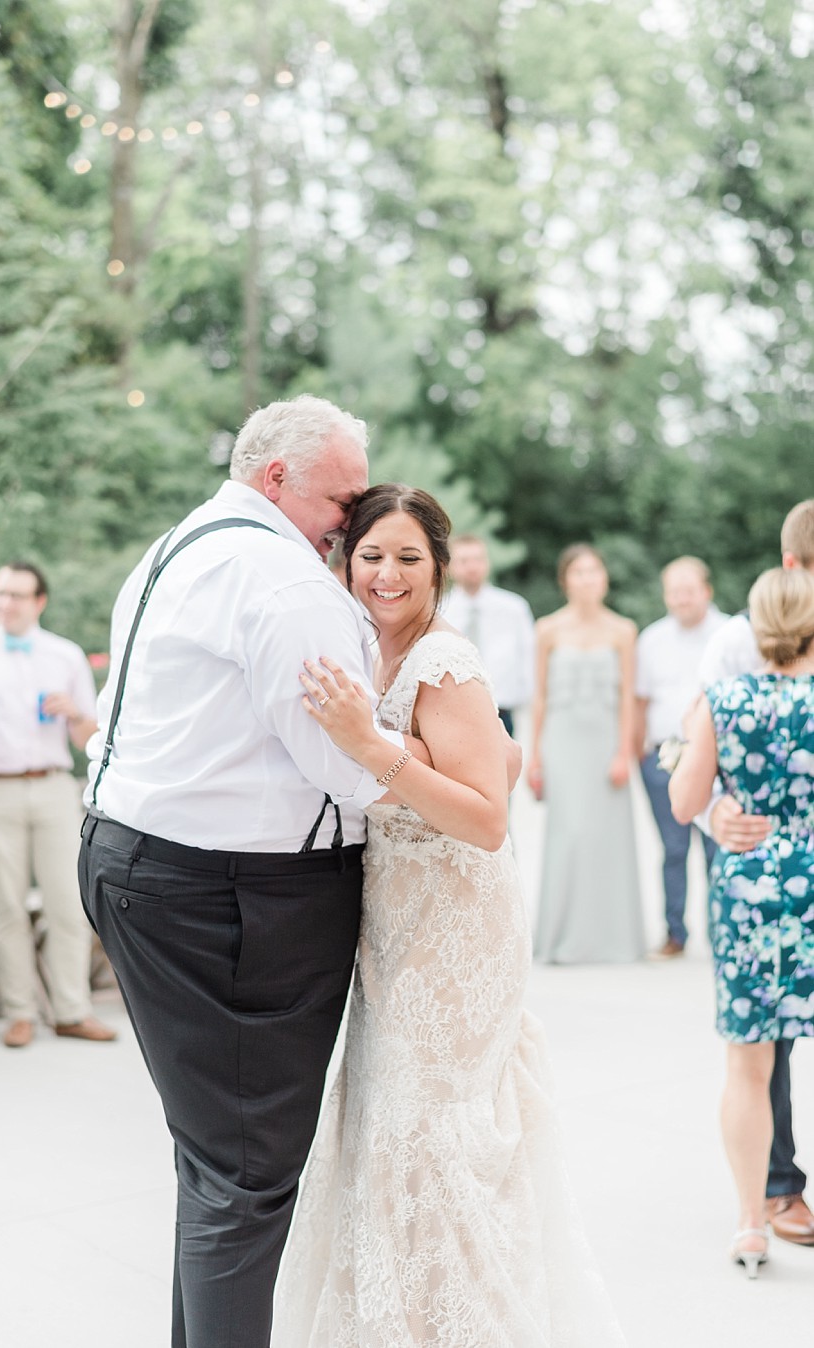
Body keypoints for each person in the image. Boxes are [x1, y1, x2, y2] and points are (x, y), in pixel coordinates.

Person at [77, 396, 427, 1348]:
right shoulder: (283, 582)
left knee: (216, 1165)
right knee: (247, 1174)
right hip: (233, 903)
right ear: (278, 479)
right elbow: (348, 768)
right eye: (342, 498)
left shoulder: (175, 549)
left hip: (141, 865)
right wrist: (449, 755)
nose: (350, 521)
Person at [273, 485, 626, 1347]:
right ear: (343, 561)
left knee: (435, 1135)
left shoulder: (445, 660)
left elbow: (484, 816)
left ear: (438, 566)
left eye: (408, 558)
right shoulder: (368, 653)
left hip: (458, 929)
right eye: (370, 556)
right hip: (395, 920)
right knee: (391, 1128)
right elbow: (483, 761)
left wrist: (375, 750)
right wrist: (407, 747)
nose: (386, 574)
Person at [669, 566, 814, 1277]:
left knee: (749, 1065)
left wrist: (725, 806)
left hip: (752, 897)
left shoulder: (722, 700)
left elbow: (684, 800)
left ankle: (752, 1224)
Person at [0, 563, 115, 1050]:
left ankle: (72, 1010)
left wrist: (75, 712)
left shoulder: (65, 656)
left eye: (18, 595)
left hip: (52, 786)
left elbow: (90, 737)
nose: (6, 603)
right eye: (0, 592)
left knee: (67, 903)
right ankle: (19, 1013)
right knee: (6, 906)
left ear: (39, 602)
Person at [528, 544, 645, 963]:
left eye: (594, 571)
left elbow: (628, 698)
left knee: (607, 838)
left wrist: (622, 753)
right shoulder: (547, 629)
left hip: (604, 742)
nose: (587, 579)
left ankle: (612, 940)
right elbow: (539, 697)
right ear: (565, 581)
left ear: (605, 579)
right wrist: (535, 756)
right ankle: (561, 939)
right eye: (578, 572)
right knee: (570, 834)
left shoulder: (623, 630)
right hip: (562, 740)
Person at [635, 557, 727, 957]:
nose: (682, 598)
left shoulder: (730, 634)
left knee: (717, 846)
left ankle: (722, 932)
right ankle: (675, 933)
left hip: (720, 759)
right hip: (662, 758)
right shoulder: (652, 639)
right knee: (672, 849)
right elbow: (641, 700)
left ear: (706, 590)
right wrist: (636, 750)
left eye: (689, 590)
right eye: (674, 591)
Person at [443, 533, 535, 734]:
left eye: (478, 559)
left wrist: (524, 699)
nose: (472, 567)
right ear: (450, 566)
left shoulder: (514, 607)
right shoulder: (440, 610)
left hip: (501, 708)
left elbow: (528, 655)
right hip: (452, 710)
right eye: (464, 561)